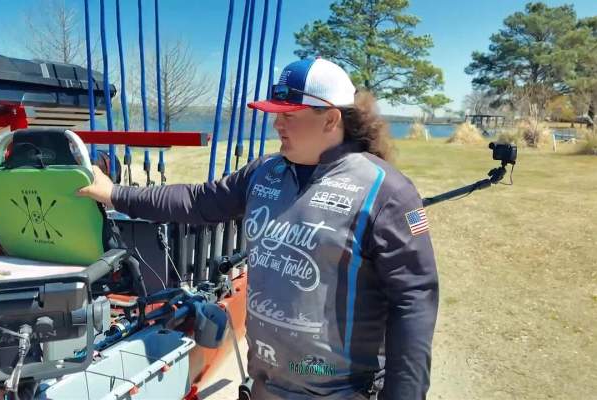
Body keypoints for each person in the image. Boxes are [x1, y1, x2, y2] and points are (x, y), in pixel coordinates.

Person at [79, 58, 439, 400]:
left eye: (289, 115)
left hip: (341, 391)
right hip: (267, 382)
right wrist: (114, 194)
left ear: (331, 119)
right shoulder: (264, 173)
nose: (277, 124)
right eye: (275, 114)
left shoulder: (386, 192)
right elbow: (196, 201)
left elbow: (414, 303)